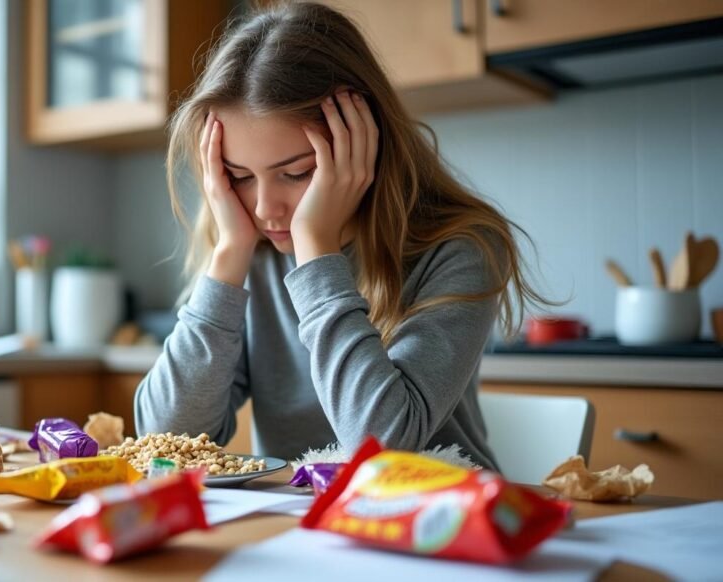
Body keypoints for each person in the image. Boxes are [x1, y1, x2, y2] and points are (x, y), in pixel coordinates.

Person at [134, 1, 549, 470]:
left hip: (435, 522)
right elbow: (163, 441)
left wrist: (315, 251)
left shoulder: (461, 248)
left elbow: (382, 450)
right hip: (302, 530)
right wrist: (228, 256)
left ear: (363, 143)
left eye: (296, 172)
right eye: (239, 175)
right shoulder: (252, 250)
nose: (265, 208)